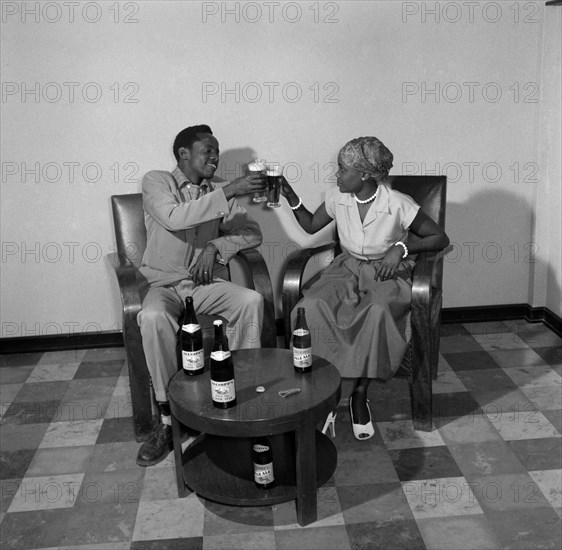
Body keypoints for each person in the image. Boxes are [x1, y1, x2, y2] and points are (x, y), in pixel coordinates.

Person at [280, 136, 449, 440]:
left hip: (387, 273)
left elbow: (439, 238)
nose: (337, 174)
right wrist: (288, 194)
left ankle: (360, 393)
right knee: (310, 307)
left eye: (343, 169)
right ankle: (323, 394)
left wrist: (401, 247)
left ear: (365, 175)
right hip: (345, 269)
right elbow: (309, 225)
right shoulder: (337, 197)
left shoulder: (397, 203)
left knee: (376, 312)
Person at [136, 124, 267, 466]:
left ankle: (237, 395)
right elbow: (173, 217)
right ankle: (166, 419)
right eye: (207, 150)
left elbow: (252, 233)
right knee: (151, 317)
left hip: (204, 286)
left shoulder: (217, 191)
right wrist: (232, 190)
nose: (214, 157)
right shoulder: (157, 182)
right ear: (184, 153)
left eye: (216, 151)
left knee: (251, 300)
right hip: (164, 285)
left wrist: (216, 245)